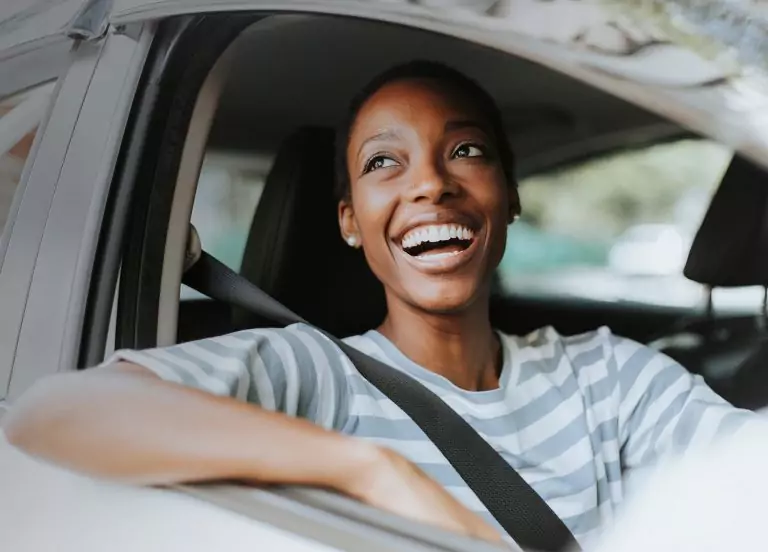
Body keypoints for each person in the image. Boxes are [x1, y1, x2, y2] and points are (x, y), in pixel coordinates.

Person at [2, 61, 756, 547]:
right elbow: (53, 414)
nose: (430, 184)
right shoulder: (319, 372)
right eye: (384, 163)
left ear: (510, 196)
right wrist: (369, 471)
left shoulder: (609, 376)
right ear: (350, 222)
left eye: (466, 151)